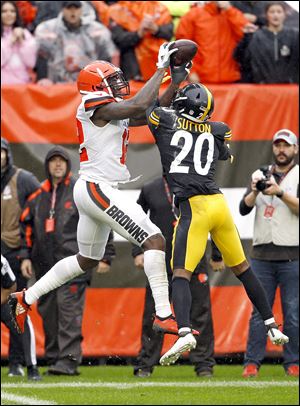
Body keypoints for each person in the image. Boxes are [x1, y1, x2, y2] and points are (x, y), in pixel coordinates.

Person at [8, 43, 192, 342]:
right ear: (96, 85)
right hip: (97, 189)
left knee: (86, 259)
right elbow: (137, 106)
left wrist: (176, 77)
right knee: (154, 239)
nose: (120, 84)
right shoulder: (94, 104)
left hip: (93, 189)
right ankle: (163, 313)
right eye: (113, 80)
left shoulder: (109, 107)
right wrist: (159, 70)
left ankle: (25, 298)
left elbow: (151, 111)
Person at [146, 81, 289, 366]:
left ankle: (184, 331)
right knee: (244, 270)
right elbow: (224, 152)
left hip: (194, 208)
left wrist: (169, 75)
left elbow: (150, 108)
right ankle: (272, 323)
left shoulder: (167, 121)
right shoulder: (217, 129)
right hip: (219, 206)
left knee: (181, 275)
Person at [132, 176, 224, 378]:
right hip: (160, 263)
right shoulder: (150, 188)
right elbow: (135, 218)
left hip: (193, 260)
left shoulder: (198, 186)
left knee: (201, 315)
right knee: (154, 316)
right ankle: (145, 364)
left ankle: (203, 365)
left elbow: (216, 217)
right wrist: (137, 250)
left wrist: (217, 253)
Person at [19, 146, 92, 376]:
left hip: (73, 265)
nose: (57, 165)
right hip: (44, 268)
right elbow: (25, 227)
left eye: (62, 161)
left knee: (69, 313)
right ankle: (54, 358)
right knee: (49, 313)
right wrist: (24, 256)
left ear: (68, 165)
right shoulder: (38, 195)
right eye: (53, 161)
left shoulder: (80, 191)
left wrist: (106, 255)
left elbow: (100, 221)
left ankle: (68, 362)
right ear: (47, 165)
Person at [239, 129, 299, 378]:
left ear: (295, 149)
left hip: (292, 255)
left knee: (293, 313)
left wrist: (281, 193)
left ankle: (293, 362)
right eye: (278, 145)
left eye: (286, 146)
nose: (281, 150)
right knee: (259, 313)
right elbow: (243, 208)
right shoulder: (261, 173)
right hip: (262, 255)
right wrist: (255, 191)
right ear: (273, 148)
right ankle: (251, 362)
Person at [1, 137, 41, 380]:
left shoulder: (23, 179)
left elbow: (38, 212)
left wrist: (27, 253)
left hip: (15, 254)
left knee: (15, 310)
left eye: (1, 152)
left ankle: (20, 363)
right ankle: (15, 363)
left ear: (7, 155)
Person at [34, 0, 117, 84]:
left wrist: (106, 78)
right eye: (69, 8)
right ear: (62, 10)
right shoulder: (47, 29)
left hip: (91, 83)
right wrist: (43, 78)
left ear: (81, 10)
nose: (73, 12)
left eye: (76, 8)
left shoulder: (97, 30)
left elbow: (108, 55)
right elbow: (42, 56)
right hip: (57, 84)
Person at [175, 1, 250, 84]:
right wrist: (190, 72)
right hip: (201, 79)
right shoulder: (193, 15)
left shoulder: (231, 14)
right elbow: (182, 47)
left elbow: (247, 33)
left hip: (230, 79)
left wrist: (230, 10)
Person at [234, 2, 299, 84]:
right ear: (266, 15)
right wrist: (246, 38)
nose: (276, 15)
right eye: (272, 12)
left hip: (288, 88)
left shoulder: (294, 36)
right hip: (263, 87)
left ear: (284, 15)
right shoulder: (257, 36)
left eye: (279, 12)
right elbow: (240, 58)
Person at [107, 1, 173, 81]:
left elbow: (169, 34)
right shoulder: (116, 10)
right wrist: (139, 33)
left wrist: (156, 29)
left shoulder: (160, 8)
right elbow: (118, 40)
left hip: (162, 68)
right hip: (133, 71)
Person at [1, 255, 41, 380]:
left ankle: (32, 367)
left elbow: (11, 286)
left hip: (2, 298)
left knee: (22, 317)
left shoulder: (1, 261)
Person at [1, 0, 37, 85]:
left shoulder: (25, 33)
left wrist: (22, 42)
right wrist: (11, 41)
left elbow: (31, 63)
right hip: (3, 88)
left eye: (12, 11)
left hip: (23, 87)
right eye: (4, 11)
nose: (9, 14)